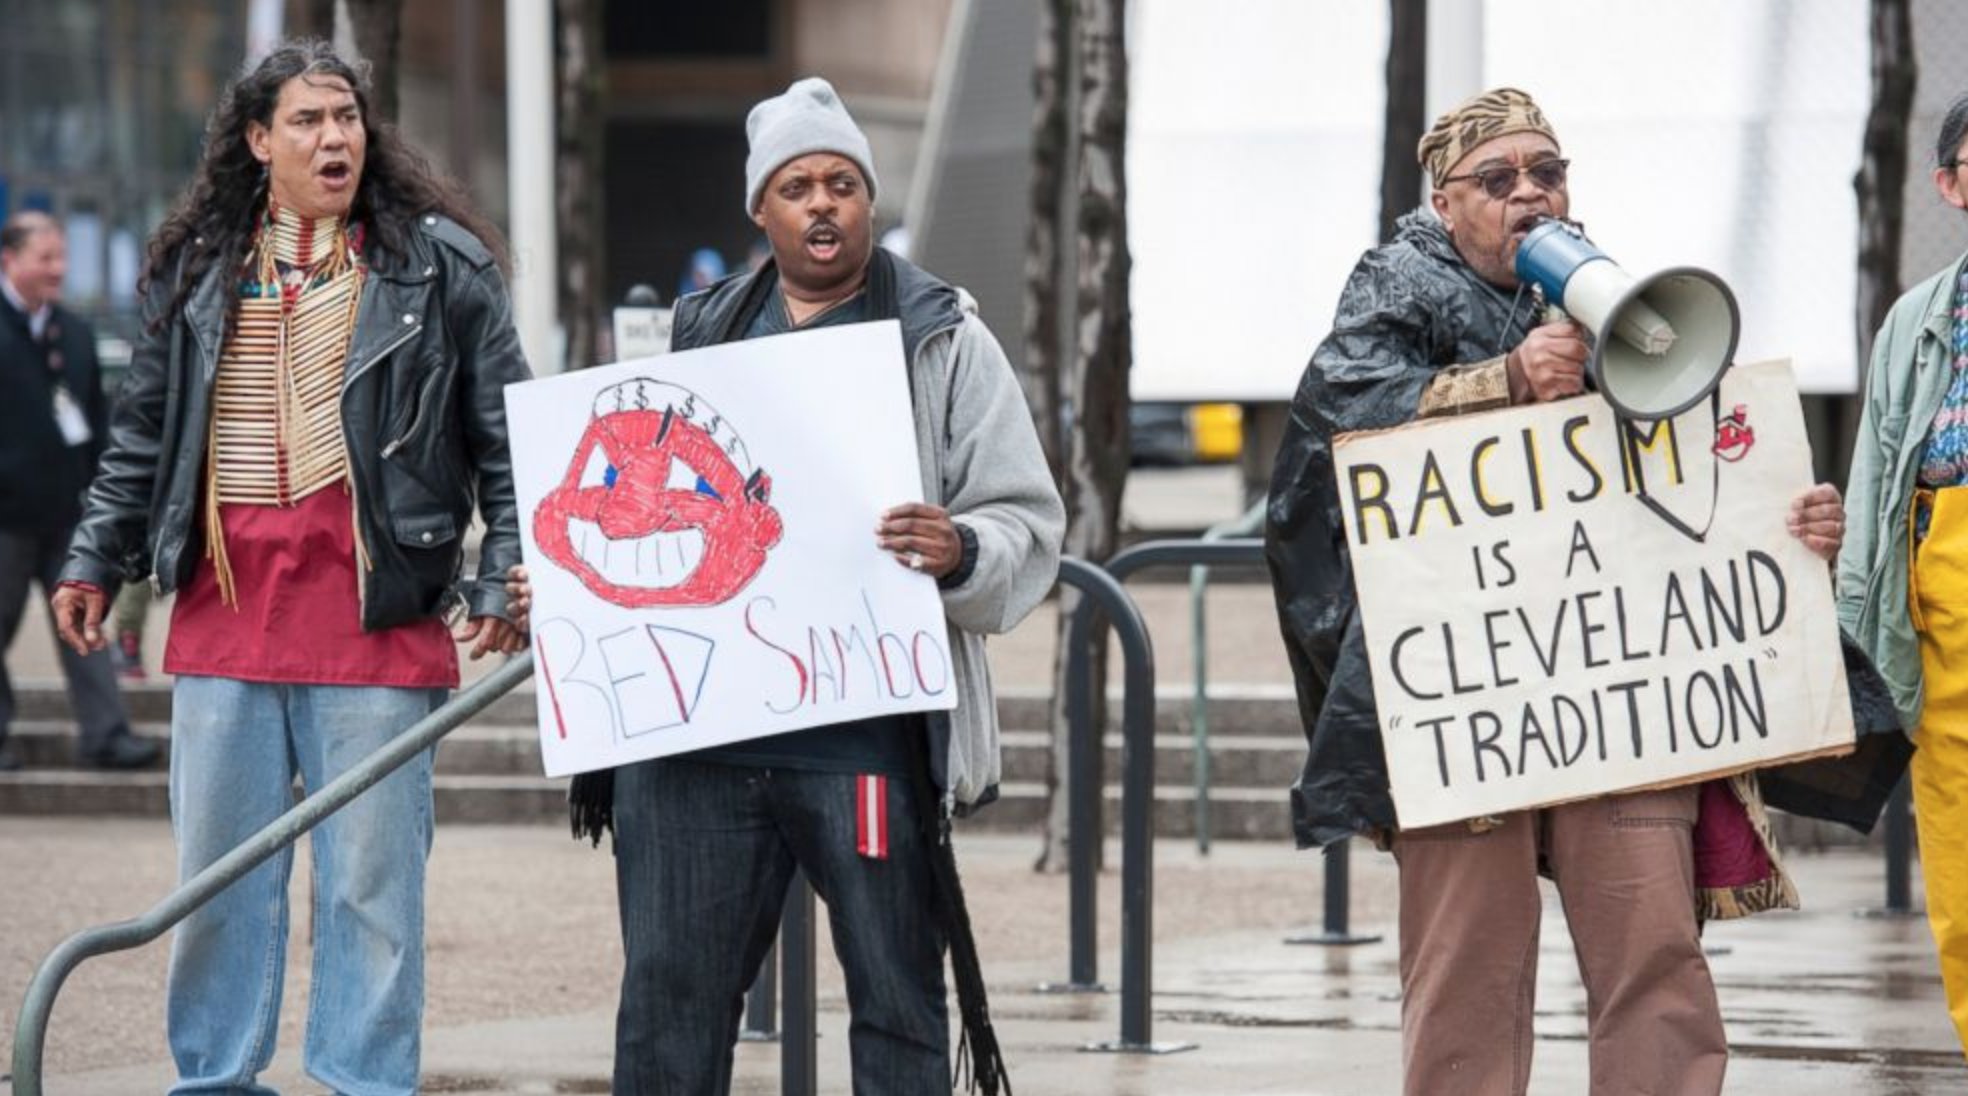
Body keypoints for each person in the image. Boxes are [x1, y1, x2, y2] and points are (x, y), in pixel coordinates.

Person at [1265, 87, 1904, 1095]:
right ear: (1445, 201)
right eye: (1498, 178)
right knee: (1468, 967)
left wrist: (1790, 520)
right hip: (1467, 703)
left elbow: (1701, 468)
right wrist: (1500, 382)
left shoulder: (1611, 294)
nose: (1530, 193)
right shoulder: (1394, 286)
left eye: (1548, 172)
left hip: (1616, 696)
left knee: (1654, 947)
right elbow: (1336, 422)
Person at [515, 76, 1063, 1094]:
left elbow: (1027, 520)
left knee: (900, 1002)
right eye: (799, 184)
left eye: (844, 182)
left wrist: (960, 548)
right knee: (670, 1007)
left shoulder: (947, 338)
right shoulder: (691, 341)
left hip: (869, 742)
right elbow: (612, 512)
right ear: (759, 210)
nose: (823, 203)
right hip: (692, 750)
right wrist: (556, 589)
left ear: (867, 199)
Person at [51, 40, 528, 1095]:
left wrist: (505, 572)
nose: (334, 137)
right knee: (217, 883)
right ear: (259, 140)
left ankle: (364, 1083)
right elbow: (141, 435)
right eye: (307, 120)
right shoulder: (198, 269)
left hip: (378, 614)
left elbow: (508, 434)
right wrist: (95, 554)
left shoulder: (440, 264)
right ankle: (215, 1081)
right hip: (225, 617)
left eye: (347, 117)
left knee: (372, 890)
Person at [1840, 91, 1968, 1058]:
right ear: (1949, 186)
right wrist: (1853, 647)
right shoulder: (1915, 321)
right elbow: (1876, 488)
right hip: (1940, 611)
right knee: (1962, 884)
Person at [0, 212, 158, 771]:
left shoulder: (73, 331)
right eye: (46, 259)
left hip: (68, 513)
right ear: (9, 260)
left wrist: (103, 500)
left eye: (62, 258)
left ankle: (106, 734)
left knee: (85, 622)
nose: (58, 270)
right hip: (7, 518)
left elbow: (97, 421)